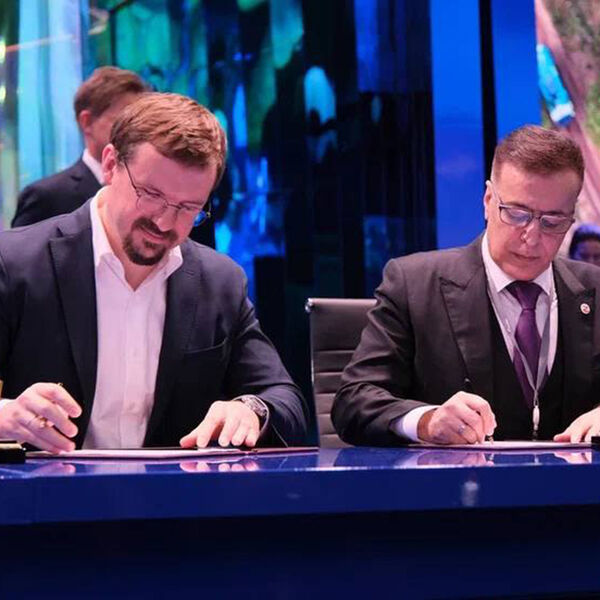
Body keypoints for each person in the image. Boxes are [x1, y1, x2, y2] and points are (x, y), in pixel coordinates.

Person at [0, 92, 308, 453]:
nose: (164, 222)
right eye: (150, 194)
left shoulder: (219, 282)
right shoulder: (17, 263)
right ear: (111, 164)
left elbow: (284, 399)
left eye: (188, 208)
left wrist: (250, 410)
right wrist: (5, 415)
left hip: (169, 487)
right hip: (46, 486)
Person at [333, 124, 600, 445]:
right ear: (488, 200)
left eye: (552, 222)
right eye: (516, 214)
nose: (531, 237)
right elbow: (353, 401)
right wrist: (426, 421)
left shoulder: (595, 290)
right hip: (459, 477)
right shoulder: (413, 284)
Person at [12, 66, 147, 227]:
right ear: (87, 121)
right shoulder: (46, 197)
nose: (134, 131)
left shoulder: (153, 191)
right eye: (122, 121)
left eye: (139, 123)